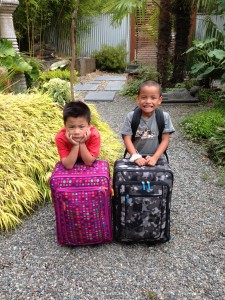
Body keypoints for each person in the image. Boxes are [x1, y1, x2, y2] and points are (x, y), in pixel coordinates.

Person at [121, 80, 175, 167]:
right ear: (137, 99)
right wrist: (136, 157)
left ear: (159, 100)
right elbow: (127, 138)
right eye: (144, 97)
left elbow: (165, 140)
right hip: (136, 158)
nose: (148, 101)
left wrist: (155, 157)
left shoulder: (164, 117)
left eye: (153, 98)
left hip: (155, 158)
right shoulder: (131, 117)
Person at [55, 101, 100, 169]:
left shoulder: (94, 135)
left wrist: (82, 143)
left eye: (81, 127)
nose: (76, 132)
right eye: (71, 127)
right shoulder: (60, 138)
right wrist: (75, 145)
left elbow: (88, 162)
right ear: (65, 125)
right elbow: (68, 166)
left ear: (88, 125)